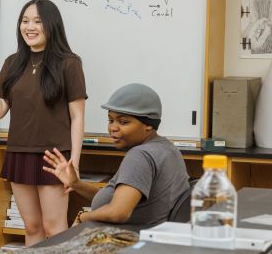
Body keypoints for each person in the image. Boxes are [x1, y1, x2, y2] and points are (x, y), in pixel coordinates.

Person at [0, 0, 86, 245]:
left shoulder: (69, 63)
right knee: (32, 226)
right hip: (19, 152)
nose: (30, 26)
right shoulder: (13, 63)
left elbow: (78, 116)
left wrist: (74, 164)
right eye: (25, 21)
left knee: (54, 227)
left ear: (51, 25)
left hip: (54, 157)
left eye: (37, 21)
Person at [42, 83, 190, 225]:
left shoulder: (140, 156)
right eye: (110, 120)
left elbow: (118, 212)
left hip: (127, 242)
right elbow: (115, 201)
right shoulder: (167, 149)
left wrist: (83, 216)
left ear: (149, 124)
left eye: (123, 122)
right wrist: (76, 184)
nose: (113, 128)